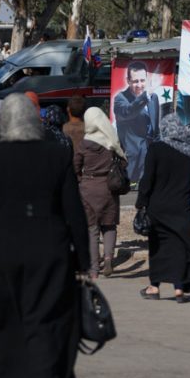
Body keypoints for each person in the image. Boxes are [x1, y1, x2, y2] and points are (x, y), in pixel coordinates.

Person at [0, 94, 90, 378]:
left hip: (2, 252)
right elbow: (73, 212)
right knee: (45, 323)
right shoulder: (56, 155)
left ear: (4, 122)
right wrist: (83, 258)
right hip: (49, 251)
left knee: (7, 324)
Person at [138, 114, 190, 302]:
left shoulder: (156, 149)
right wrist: (183, 196)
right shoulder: (188, 152)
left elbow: (147, 179)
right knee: (179, 246)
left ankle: (154, 287)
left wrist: (142, 203)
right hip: (181, 207)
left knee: (158, 246)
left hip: (157, 207)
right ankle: (179, 289)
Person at [74, 107, 126, 279]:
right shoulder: (112, 140)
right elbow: (124, 162)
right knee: (109, 225)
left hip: (88, 188)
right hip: (109, 188)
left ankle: (94, 270)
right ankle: (109, 258)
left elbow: (75, 167)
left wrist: (82, 179)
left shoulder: (84, 144)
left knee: (92, 229)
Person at [113, 61, 160, 182]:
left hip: (151, 156)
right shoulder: (120, 99)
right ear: (128, 81)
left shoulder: (153, 98)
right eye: (135, 81)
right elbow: (128, 112)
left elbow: (155, 127)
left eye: (142, 80)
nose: (139, 85)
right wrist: (144, 97)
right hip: (132, 161)